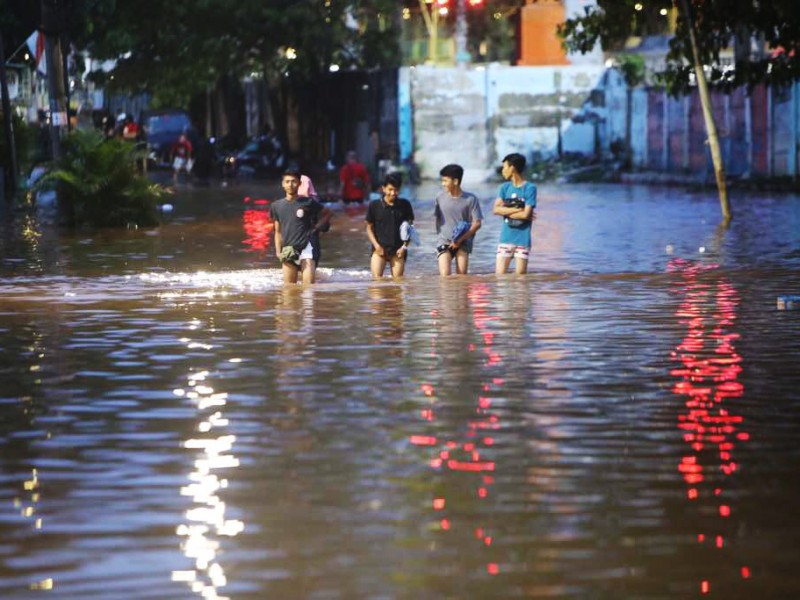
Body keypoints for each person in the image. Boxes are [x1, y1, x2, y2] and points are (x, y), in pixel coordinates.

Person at [270, 167, 333, 285]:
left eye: (294, 181)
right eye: (287, 181)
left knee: (308, 289)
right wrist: (278, 252)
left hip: (307, 249)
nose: (290, 184)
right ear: (283, 184)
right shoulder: (276, 206)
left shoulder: (308, 202)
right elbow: (277, 232)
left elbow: (328, 213)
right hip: (288, 250)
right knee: (289, 289)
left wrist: (317, 228)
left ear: (299, 184)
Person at [492, 153, 537, 275]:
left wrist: (506, 211)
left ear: (512, 168)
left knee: (521, 279)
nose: (502, 171)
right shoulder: (504, 187)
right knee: (499, 277)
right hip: (505, 239)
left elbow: (526, 215)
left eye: (504, 167)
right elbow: (495, 210)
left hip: (523, 240)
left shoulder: (530, 188)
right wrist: (518, 210)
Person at [434, 164, 483, 276]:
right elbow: (437, 220)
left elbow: (477, 223)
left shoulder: (471, 199)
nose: (443, 184)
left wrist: (459, 240)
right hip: (444, 240)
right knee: (445, 276)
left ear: (455, 181)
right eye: (442, 180)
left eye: (445, 181)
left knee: (461, 276)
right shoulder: (439, 197)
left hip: (463, 242)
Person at [365, 174, 415, 279]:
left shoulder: (405, 205)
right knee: (376, 281)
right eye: (390, 189)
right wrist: (376, 246)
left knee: (398, 282)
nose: (393, 193)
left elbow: (410, 228)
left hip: (398, 251)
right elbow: (369, 228)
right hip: (379, 249)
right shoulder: (374, 205)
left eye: (396, 190)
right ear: (383, 189)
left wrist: (404, 247)